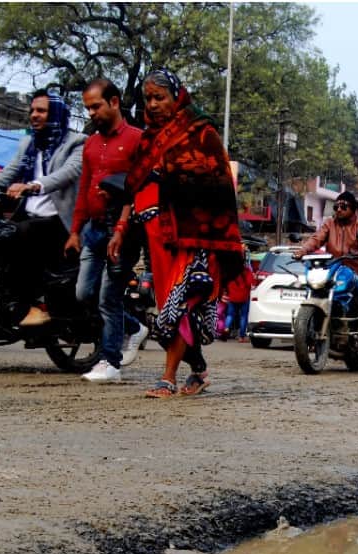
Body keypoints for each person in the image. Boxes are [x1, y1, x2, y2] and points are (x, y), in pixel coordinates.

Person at [107, 68, 244, 398]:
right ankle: (198, 371)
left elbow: (218, 186)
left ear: (177, 96)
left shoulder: (201, 132)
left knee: (180, 303)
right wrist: (121, 229)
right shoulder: (147, 139)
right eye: (147, 99)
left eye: (160, 97)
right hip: (155, 238)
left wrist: (167, 173)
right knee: (172, 308)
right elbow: (133, 189)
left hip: (194, 237)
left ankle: (167, 377)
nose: (152, 105)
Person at [0, 88, 85, 327]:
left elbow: (67, 174)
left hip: (60, 223)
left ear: (55, 114)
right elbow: (5, 176)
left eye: (41, 110)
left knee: (21, 233)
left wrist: (33, 186)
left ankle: (26, 305)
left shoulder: (76, 143)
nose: (34, 115)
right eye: (32, 110)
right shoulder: (29, 144)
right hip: (29, 217)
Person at [64, 78, 145, 384]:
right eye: (88, 108)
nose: (92, 113)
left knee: (108, 297)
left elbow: (136, 191)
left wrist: (122, 228)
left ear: (114, 102)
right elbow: (84, 188)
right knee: (84, 293)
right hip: (93, 229)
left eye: (96, 106)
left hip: (122, 229)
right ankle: (134, 327)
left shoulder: (137, 140)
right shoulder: (91, 144)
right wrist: (75, 230)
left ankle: (110, 363)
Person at [292, 190, 358, 351]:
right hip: (333, 268)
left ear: (353, 209)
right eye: (336, 206)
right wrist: (303, 250)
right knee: (314, 287)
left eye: (344, 206)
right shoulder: (329, 224)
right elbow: (316, 239)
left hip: (356, 269)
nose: (339, 209)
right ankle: (309, 326)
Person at [223, 261, 256, 340]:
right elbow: (250, 283)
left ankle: (226, 329)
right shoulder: (247, 271)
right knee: (243, 316)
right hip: (243, 296)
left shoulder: (230, 271)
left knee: (230, 315)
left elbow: (226, 282)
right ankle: (241, 337)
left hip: (232, 296)